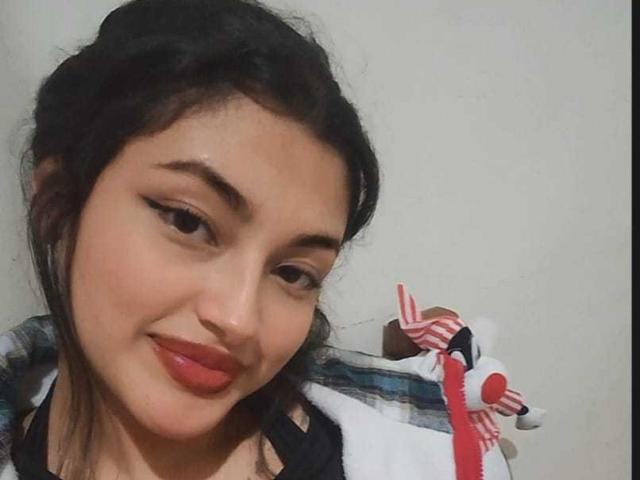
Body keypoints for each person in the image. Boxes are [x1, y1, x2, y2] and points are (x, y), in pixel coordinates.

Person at [0, 1, 512, 479]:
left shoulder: (429, 460)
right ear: (57, 205)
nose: (239, 320)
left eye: (293, 273)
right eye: (188, 221)